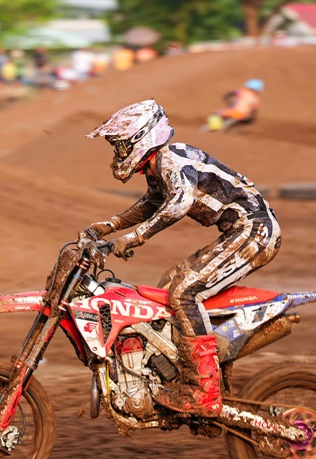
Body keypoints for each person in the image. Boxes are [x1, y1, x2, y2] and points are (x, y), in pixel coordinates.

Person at [82, 100, 280, 417]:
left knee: (184, 292)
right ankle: (170, 374)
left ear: (141, 138)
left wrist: (135, 237)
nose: (118, 154)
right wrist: (111, 225)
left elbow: (178, 204)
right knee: (166, 287)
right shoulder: (158, 167)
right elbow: (151, 203)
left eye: (121, 146)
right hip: (240, 232)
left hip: (254, 230)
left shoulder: (173, 161)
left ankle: (205, 389)